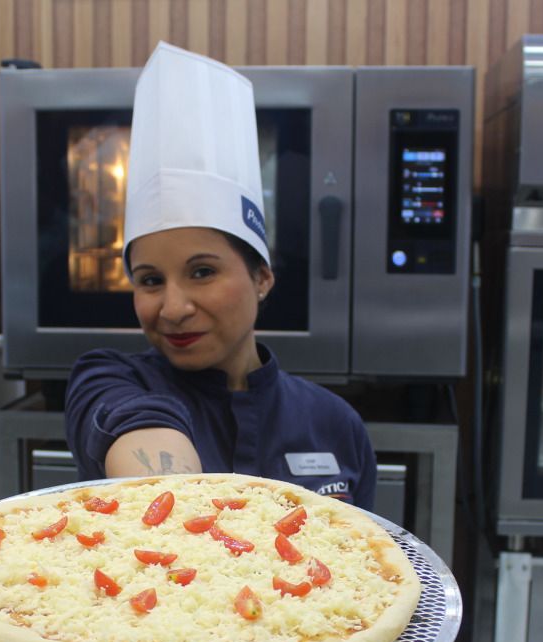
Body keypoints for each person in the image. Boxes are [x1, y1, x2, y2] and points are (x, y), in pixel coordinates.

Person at [65, 42, 377, 509]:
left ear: (262, 278)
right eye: (150, 280)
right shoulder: (109, 379)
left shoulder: (334, 422)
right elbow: (138, 428)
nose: (173, 308)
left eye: (202, 271)